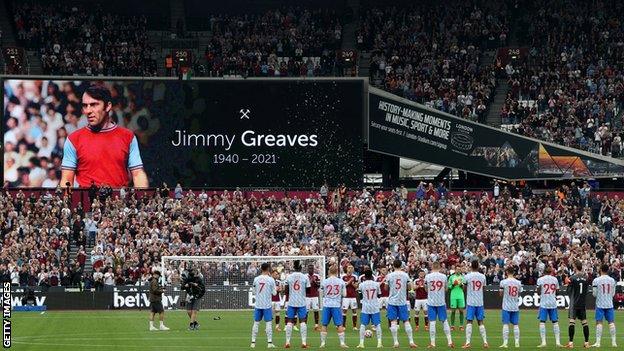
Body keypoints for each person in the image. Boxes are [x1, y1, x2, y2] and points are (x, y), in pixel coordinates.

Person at [61, 84, 148, 188]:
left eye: (94, 105)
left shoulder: (128, 137)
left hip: (119, 201)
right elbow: (66, 179)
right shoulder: (73, 139)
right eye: (85, 105)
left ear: (108, 106)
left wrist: (142, 198)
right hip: (86, 202)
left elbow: (138, 174)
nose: (88, 111)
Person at [385, 259, 417, 348]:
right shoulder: (405, 275)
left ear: (393, 266)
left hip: (392, 301)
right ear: (401, 266)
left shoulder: (389, 275)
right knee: (406, 321)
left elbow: (386, 288)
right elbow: (410, 286)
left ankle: (396, 342)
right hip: (402, 301)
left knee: (393, 321)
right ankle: (411, 342)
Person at [426, 261, 454, 348]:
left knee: (432, 322)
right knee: (444, 321)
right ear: (439, 267)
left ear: (432, 267)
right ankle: (450, 342)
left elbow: (426, 289)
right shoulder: (444, 276)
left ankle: (433, 343)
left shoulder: (428, 276)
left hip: (431, 302)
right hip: (441, 302)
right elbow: (446, 289)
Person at [319, 265, 347, 349]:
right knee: (339, 324)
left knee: (324, 324)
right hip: (336, 305)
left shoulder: (325, 281)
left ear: (329, 271)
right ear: (337, 272)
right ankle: (342, 343)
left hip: (327, 304)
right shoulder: (341, 281)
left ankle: (323, 343)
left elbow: (321, 292)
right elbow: (344, 294)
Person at [284, 261, 310, 348]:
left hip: (291, 302)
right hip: (301, 302)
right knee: (303, 322)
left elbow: (286, 291)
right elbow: (309, 290)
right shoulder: (305, 277)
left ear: (294, 268)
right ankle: (304, 342)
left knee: (289, 322)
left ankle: (287, 342)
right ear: (301, 268)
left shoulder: (289, 277)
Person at [462, 260, 488, 348]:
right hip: (480, 302)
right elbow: (484, 289)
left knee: (469, 321)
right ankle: (485, 342)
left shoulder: (467, 276)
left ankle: (468, 342)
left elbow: (464, 289)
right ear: (478, 266)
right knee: (480, 322)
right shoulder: (482, 276)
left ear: (471, 266)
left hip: (471, 302)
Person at [251, 263, 277, 349]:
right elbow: (274, 293)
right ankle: (269, 343)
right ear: (268, 269)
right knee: (268, 323)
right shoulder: (271, 280)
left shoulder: (256, 279)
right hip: (267, 305)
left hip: (258, 305)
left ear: (261, 269)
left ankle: (253, 343)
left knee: (256, 323)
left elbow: (254, 292)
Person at [591, 264, 617, 348]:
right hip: (609, 303)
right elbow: (613, 294)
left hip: (600, 304)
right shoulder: (612, 280)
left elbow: (594, 294)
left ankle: (598, 343)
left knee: (599, 322)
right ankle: (614, 342)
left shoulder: (596, 280)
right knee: (611, 322)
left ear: (601, 269)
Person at [565, 260, 590, 348]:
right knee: (584, 322)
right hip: (582, 303)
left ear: (575, 267)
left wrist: (567, 283)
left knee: (572, 322)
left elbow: (568, 291)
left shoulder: (572, 278)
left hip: (574, 303)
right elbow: (586, 291)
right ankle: (586, 343)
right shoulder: (586, 278)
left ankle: (571, 343)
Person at [357, 269, 383, 349]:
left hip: (365, 307)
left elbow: (360, 296)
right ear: (372, 276)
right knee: (377, 324)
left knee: (363, 325)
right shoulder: (377, 284)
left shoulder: (361, 285)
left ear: (364, 276)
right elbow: (379, 295)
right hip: (375, 307)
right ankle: (379, 343)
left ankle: (361, 343)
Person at [536, 266, 561, 347]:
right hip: (553, 303)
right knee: (555, 322)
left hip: (544, 303)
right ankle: (557, 342)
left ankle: (543, 342)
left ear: (544, 272)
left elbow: (538, 292)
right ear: (551, 272)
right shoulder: (555, 279)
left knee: (542, 322)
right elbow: (558, 292)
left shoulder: (540, 279)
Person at [499, 266, 522, 348]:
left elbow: (500, 294)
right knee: (516, 324)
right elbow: (519, 293)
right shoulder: (518, 282)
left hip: (506, 306)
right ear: (514, 272)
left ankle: (505, 343)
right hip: (515, 306)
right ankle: (517, 342)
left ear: (507, 272)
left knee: (505, 324)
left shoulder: (503, 282)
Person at [341, 264, 359, 330]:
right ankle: (343, 326)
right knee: (344, 311)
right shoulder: (343, 276)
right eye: (349, 268)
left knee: (354, 311)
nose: (350, 269)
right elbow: (343, 286)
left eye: (352, 268)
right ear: (347, 269)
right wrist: (349, 281)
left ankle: (354, 326)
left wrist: (353, 284)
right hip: (346, 296)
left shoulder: (355, 276)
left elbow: (356, 286)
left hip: (353, 296)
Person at [448, 266, 466, 331]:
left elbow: (464, 288)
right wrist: (453, 284)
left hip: (460, 295)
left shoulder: (463, 277)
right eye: (457, 269)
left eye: (459, 269)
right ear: (455, 270)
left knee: (461, 310)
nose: (458, 270)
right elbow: (449, 287)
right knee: (453, 311)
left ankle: (461, 326)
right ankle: (452, 326)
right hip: (453, 295)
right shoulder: (451, 277)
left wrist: (461, 285)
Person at [305, 264, 321, 331]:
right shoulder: (305, 276)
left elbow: (319, 285)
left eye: (312, 268)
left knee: (316, 310)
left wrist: (314, 282)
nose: (310, 270)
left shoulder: (317, 276)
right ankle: (304, 325)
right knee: (306, 311)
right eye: (309, 268)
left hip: (315, 296)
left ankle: (316, 325)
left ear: (313, 269)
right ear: (307, 269)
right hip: (307, 296)